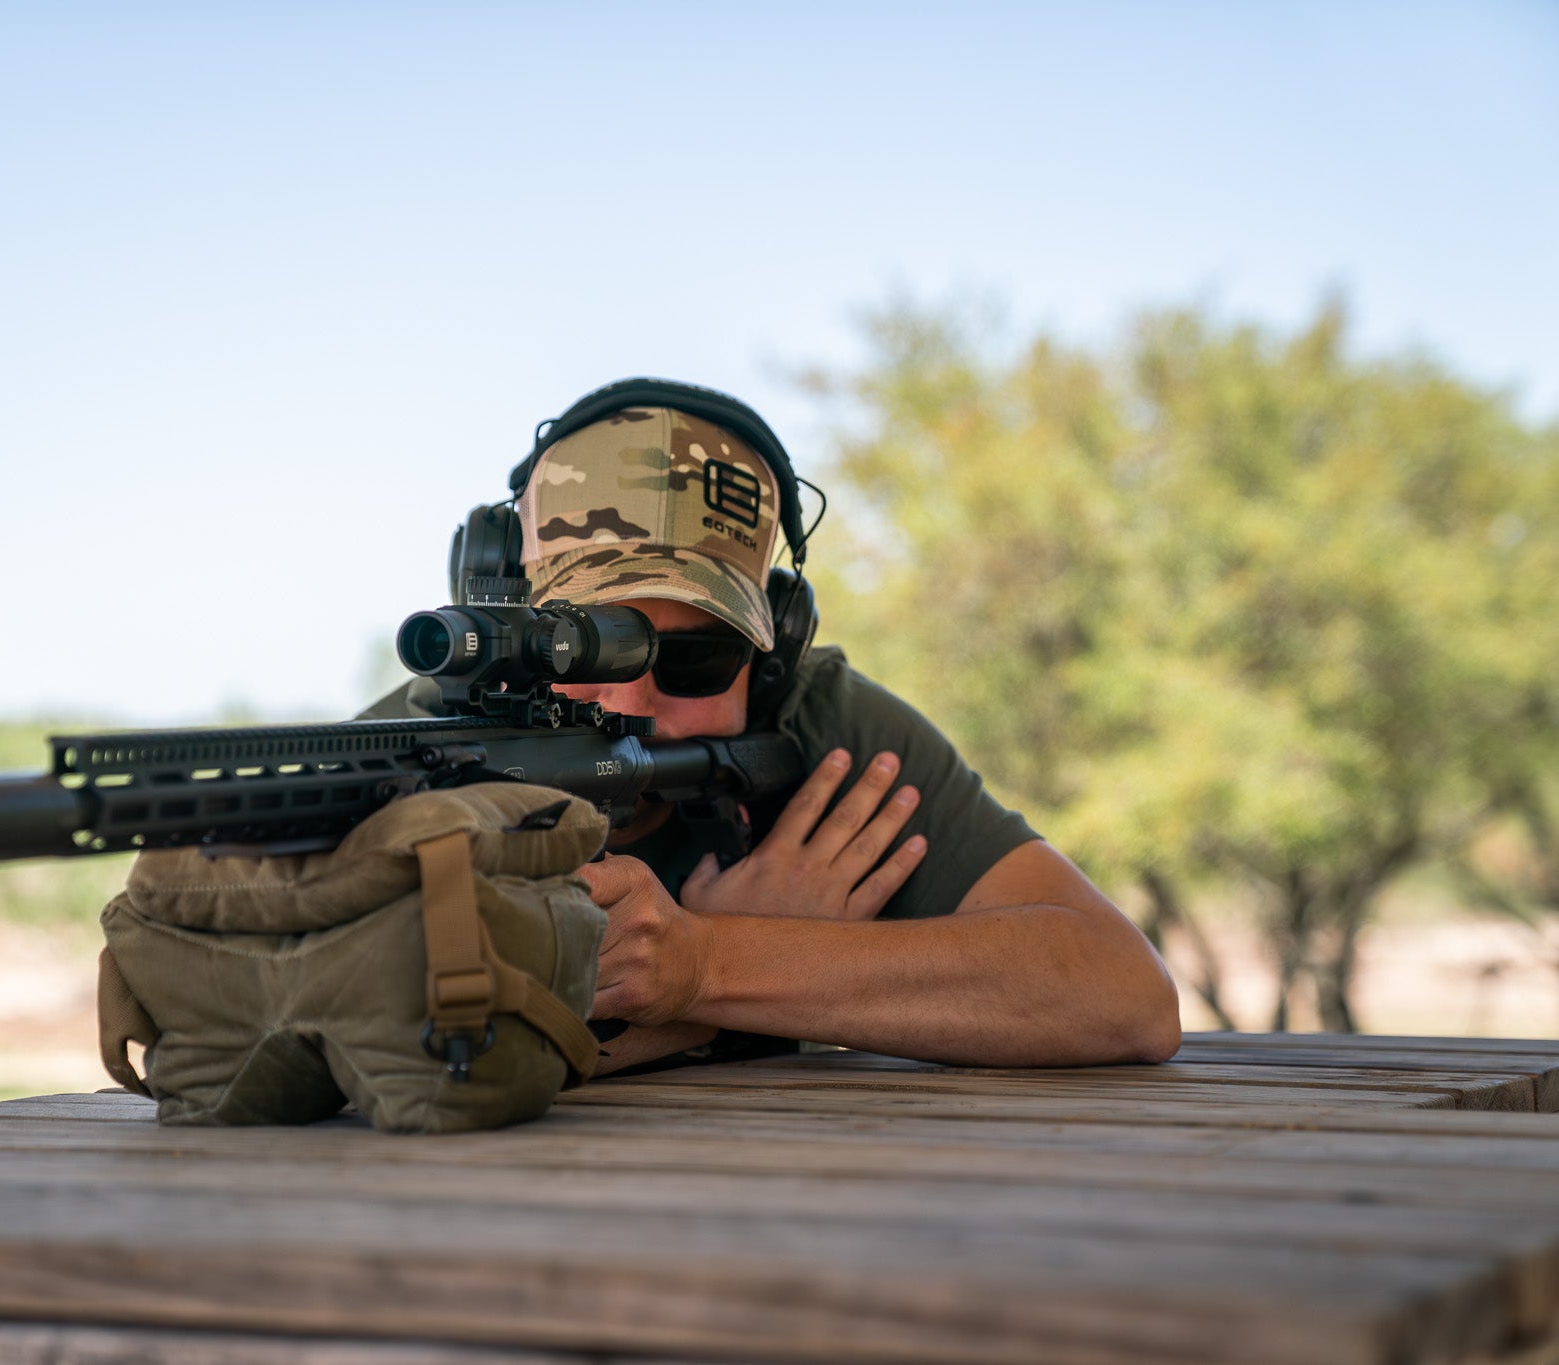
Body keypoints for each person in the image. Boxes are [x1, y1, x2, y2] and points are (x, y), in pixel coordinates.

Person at [363, 379, 1181, 1075]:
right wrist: (727, 990)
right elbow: (359, 1042)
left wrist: (711, 959)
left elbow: (1121, 995)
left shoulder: (812, 727)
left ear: (777, 643)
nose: (633, 700)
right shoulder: (433, 743)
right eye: (586, 644)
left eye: (698, 659)